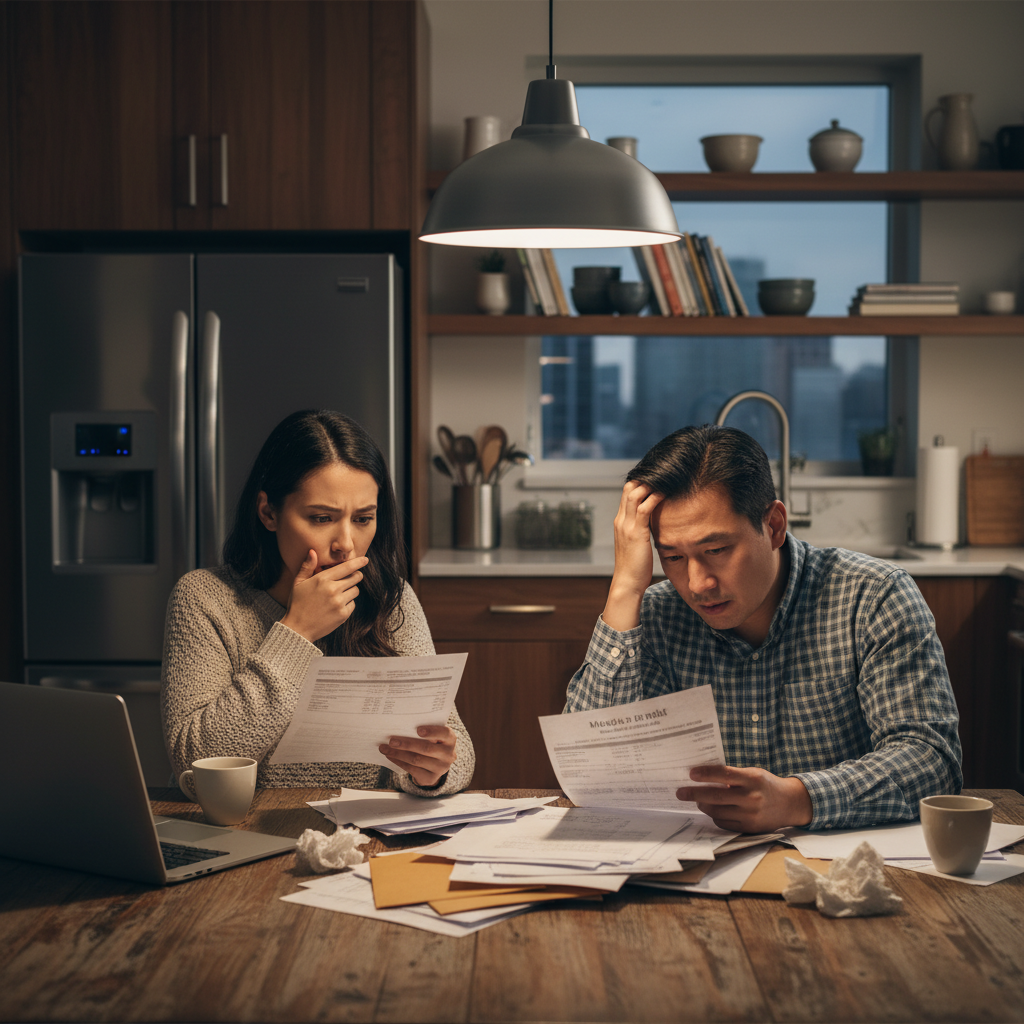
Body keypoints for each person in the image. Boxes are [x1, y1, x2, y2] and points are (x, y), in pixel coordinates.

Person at [565, 424, 961, 833]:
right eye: (674, 558)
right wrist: (626, 587)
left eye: (716, 550)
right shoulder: (655, 616)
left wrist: (798, 800)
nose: (698, 584)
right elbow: (588, 778)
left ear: (773, 526)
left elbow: (932, 759)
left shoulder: (873, 595)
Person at [162, 409, 474, 796]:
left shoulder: (392, 599)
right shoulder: (205, 598)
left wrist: (431, 771)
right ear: (268, 512)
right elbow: (196, 763)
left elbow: (456, 747)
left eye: (363, 519)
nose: (345, 543)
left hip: (366, 839)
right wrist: (298, 633)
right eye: (322, 518)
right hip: (247, 834)